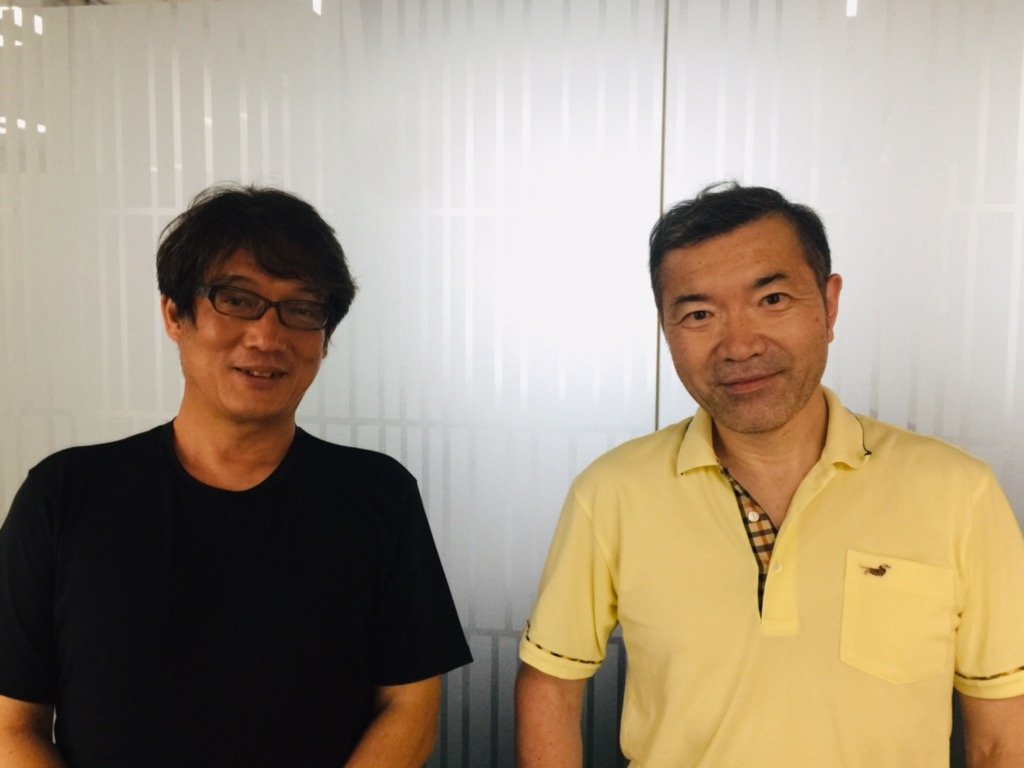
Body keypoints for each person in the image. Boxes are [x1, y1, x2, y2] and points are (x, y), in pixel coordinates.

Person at [515, 182, 1024, 767]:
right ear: (665, 328)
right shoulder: (611, 492)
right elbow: (550, 686)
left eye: (772, 299)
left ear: (830, 305)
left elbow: (1002, 735)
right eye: (699, 314)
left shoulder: (958, 492)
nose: (739, 345)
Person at [0, 185, 472, 768]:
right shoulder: (65, 495)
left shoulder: (377, 496)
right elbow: (12, 725)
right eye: (237, 300)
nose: (267, 337)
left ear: (325, 338)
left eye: (302, 309)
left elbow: (409, 706)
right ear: (175, 314)